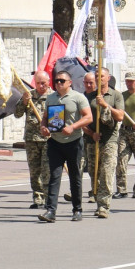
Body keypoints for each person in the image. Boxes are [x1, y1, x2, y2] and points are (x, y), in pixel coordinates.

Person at [38, 71, 93, 223]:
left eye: (62, 80)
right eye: (56, 81)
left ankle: (77, 209)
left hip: (73, 141)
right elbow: (45, 119)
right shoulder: (51, 98)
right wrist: (44, 128)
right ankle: (50, 211)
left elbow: (88, 117)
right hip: (55, 142)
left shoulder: (78, 97)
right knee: (54, 176)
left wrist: (73, 127)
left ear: (70, 82)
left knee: (75, 176)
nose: (59, 83)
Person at [84, 68, 125, 218]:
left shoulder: (116, 95)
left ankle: (103, 206)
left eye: (101, 76)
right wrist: (90, 133)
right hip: (92, 140)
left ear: (108, 78)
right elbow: (82, 119)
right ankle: (97, 200)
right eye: (96, 76)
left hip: (110, 140)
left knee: (107, 173)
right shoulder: (89, 96)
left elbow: (120, 116)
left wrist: (106, 105)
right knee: (94, 173)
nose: (98, 78)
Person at [15, 70, 52, 209]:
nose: (41, 86)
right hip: (32, 139)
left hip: (48, 139)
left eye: (43, 83)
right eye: (38, 83)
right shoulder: (29, 95)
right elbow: (17, 114)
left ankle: (49, 198)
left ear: (48, 82)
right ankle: (38, 197)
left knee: (47, 170)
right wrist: (24, 102)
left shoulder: (54, 96)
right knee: (34, 170)